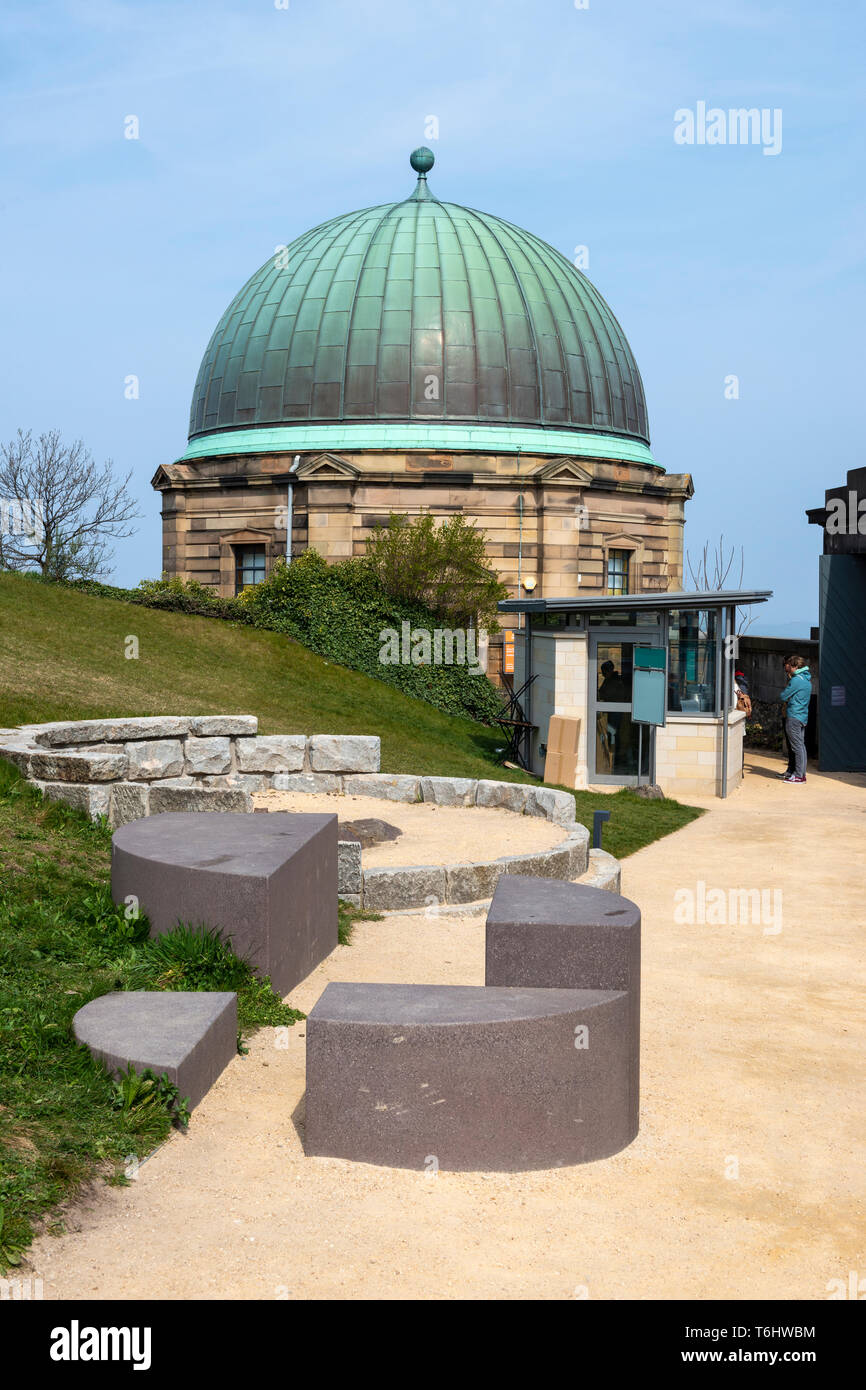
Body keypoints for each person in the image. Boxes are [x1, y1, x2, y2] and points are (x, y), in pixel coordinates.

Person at [779, 655, 812, 783]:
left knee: (796, 747)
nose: (789, 668)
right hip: (802, 716)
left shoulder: (796, 680)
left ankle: (799, 776)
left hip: (794, 716)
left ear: (796, 667)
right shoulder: (806, 678)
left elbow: (783, 696)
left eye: (791, 666)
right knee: (801, 746)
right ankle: (800, 774)